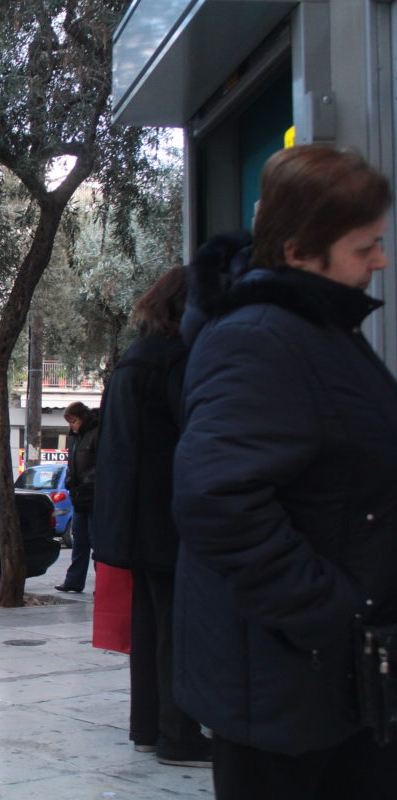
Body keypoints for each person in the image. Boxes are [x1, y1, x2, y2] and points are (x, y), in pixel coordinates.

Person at [173, 144, 397, 799]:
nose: (380, 261)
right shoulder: (261, 337)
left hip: (326, 682)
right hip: (290, 690)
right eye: (365, 248)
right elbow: (217, 500)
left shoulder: (316, 325)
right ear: (300, 252)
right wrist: (335, 611)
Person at [91, 267, 210, 767]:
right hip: (166, 515)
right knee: (173, 627)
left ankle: (148, 726)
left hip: (133, 518)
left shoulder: (133, 360)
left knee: (150, 624)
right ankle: (178, 734)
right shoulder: (174, 360)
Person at [56, 401, 98, 593]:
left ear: (82, 418)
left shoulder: (95, 434)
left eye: (73, 421)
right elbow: (72, 464)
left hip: (93, 494)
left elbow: (97, 464)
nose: (71, 425)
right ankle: (73, 580)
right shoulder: (75, 438)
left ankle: (102, 583)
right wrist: (70, 481)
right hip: (79, 494)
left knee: (96, 541)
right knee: (79, 540)